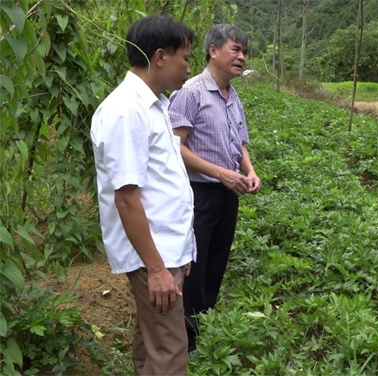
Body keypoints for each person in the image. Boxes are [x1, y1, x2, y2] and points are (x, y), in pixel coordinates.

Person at [90, 15, 196, 376]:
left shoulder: (155, 105)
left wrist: (182, 249)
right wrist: (156, 268)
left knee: (150, 341)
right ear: (161, 56)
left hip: (165, 249)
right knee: (169, 349)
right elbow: (127, 197)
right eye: (186, 57)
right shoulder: (126, 111)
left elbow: (162, 183)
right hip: (153, 254)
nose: (188, 66)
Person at [168, 24, 261, 353]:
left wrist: (248, 170)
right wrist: (221, 173)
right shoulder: (190, 92)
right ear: (213, 50)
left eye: (244, 52)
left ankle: (204, 322)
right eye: (236, 49)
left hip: (228, 192)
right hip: (199, 194)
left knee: (217, 259)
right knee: (195, 263)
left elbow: (242, 143)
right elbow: (175, 147)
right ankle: (187, 336)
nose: (242, 57)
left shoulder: (232, 95)